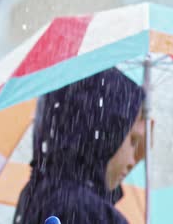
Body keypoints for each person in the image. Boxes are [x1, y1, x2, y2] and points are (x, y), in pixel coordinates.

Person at [14, 68, 145, 224]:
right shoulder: (86, 211)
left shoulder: (38, 193)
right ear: (107, 133)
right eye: (132, 141)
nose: (132, 161)